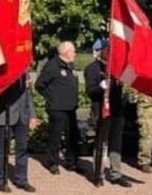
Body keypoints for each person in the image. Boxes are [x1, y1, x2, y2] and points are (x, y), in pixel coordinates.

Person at [85, 39, 131, 187]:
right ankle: (98, 172)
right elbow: (90, 91)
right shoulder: (92, 68)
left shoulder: (116, 69)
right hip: (101, 110)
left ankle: (116, 173)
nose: (111, 53)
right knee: (101, 142)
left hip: (116, 110)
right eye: (108, 50)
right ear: (102, 51)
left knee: (116, 142)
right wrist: (101, 86)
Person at [34, 41, 80, 174]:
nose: (75, 54)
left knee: (72, 135)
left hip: (70, 107)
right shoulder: (52, 66)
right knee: (55, 136)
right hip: (57, 108)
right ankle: (52, 162)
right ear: (66, 52)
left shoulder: (70, 66)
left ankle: (72, 162)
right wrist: (51, 97)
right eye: (73, 51)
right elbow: (39, 85)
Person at [0, 73, 38, 193]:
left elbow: (28, 95)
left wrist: (32, 115)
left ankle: (21, 179)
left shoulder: (23, 73)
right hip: (5, 116)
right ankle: (1, 180)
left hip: (22, 116)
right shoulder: (2, 72)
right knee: (3, 150)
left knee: (22, 149)